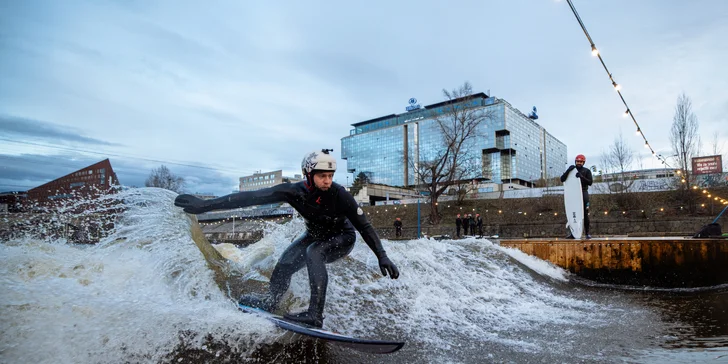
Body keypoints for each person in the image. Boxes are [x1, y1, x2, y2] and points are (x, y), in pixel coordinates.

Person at [174, 149, 400, 328]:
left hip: (342, 238)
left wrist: (382, 256)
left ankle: (315, 315)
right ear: (308, 175)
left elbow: (364, 226)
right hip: (314, 235)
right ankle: (271, 301)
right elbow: (250, 196)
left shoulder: (340, 195)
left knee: (314, 252)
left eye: (330, 176)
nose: (328, 181)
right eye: (322, 176)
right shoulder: (293, 192)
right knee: (285, 263)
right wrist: (205, 206)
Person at [560, 154, 593, 239]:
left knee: (585, 214)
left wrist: (582, 177)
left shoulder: (587, 171)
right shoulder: (571, 171)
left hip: (583, 193)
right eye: (577, 161)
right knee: (572, 212)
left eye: (581, 162)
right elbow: (562, 179)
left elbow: (590, 182)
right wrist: (568, 171)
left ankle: (587, 233)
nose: (579, 163)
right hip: (573, 194)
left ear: (583, 162)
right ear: (575, 161)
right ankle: (573, 233)